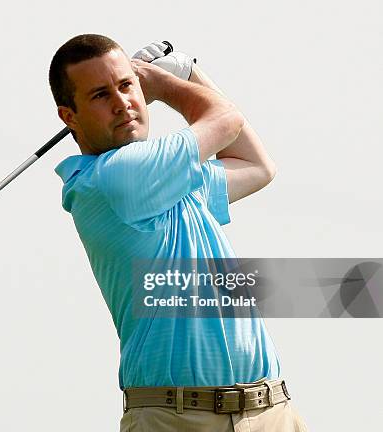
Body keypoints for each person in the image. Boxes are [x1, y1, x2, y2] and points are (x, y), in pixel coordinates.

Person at [49, 34, 308, 431]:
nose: (122, 103)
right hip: (178, 420)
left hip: (269, 409)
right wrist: (170, 82)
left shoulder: (169, 180)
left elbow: (256, 165)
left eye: (125, 85)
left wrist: (189, 73)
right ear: (70, 117)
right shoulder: (114, 179)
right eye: (101, 95)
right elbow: (226, 120)